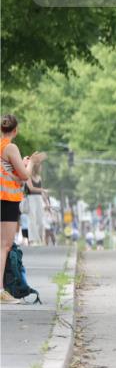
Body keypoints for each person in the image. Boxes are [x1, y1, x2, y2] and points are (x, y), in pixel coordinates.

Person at [1, 114, 42, 303]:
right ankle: (1, 291)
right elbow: (25, 176)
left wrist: (21, 165)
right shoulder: (11, 147)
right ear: (15, 130)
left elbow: (11, 173)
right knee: (5, 246)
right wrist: (31, 162)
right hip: (7, 200)